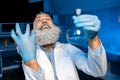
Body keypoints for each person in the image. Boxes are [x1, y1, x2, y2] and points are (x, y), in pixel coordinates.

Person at [11, 12, 107, 80]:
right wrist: (30, 61)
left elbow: (97, 71)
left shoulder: (68, 48)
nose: (44, 20)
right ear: (33, 29)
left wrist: (93, 39)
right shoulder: (28, 51)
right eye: (39, 20)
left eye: (48, 19)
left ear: (54, 26)